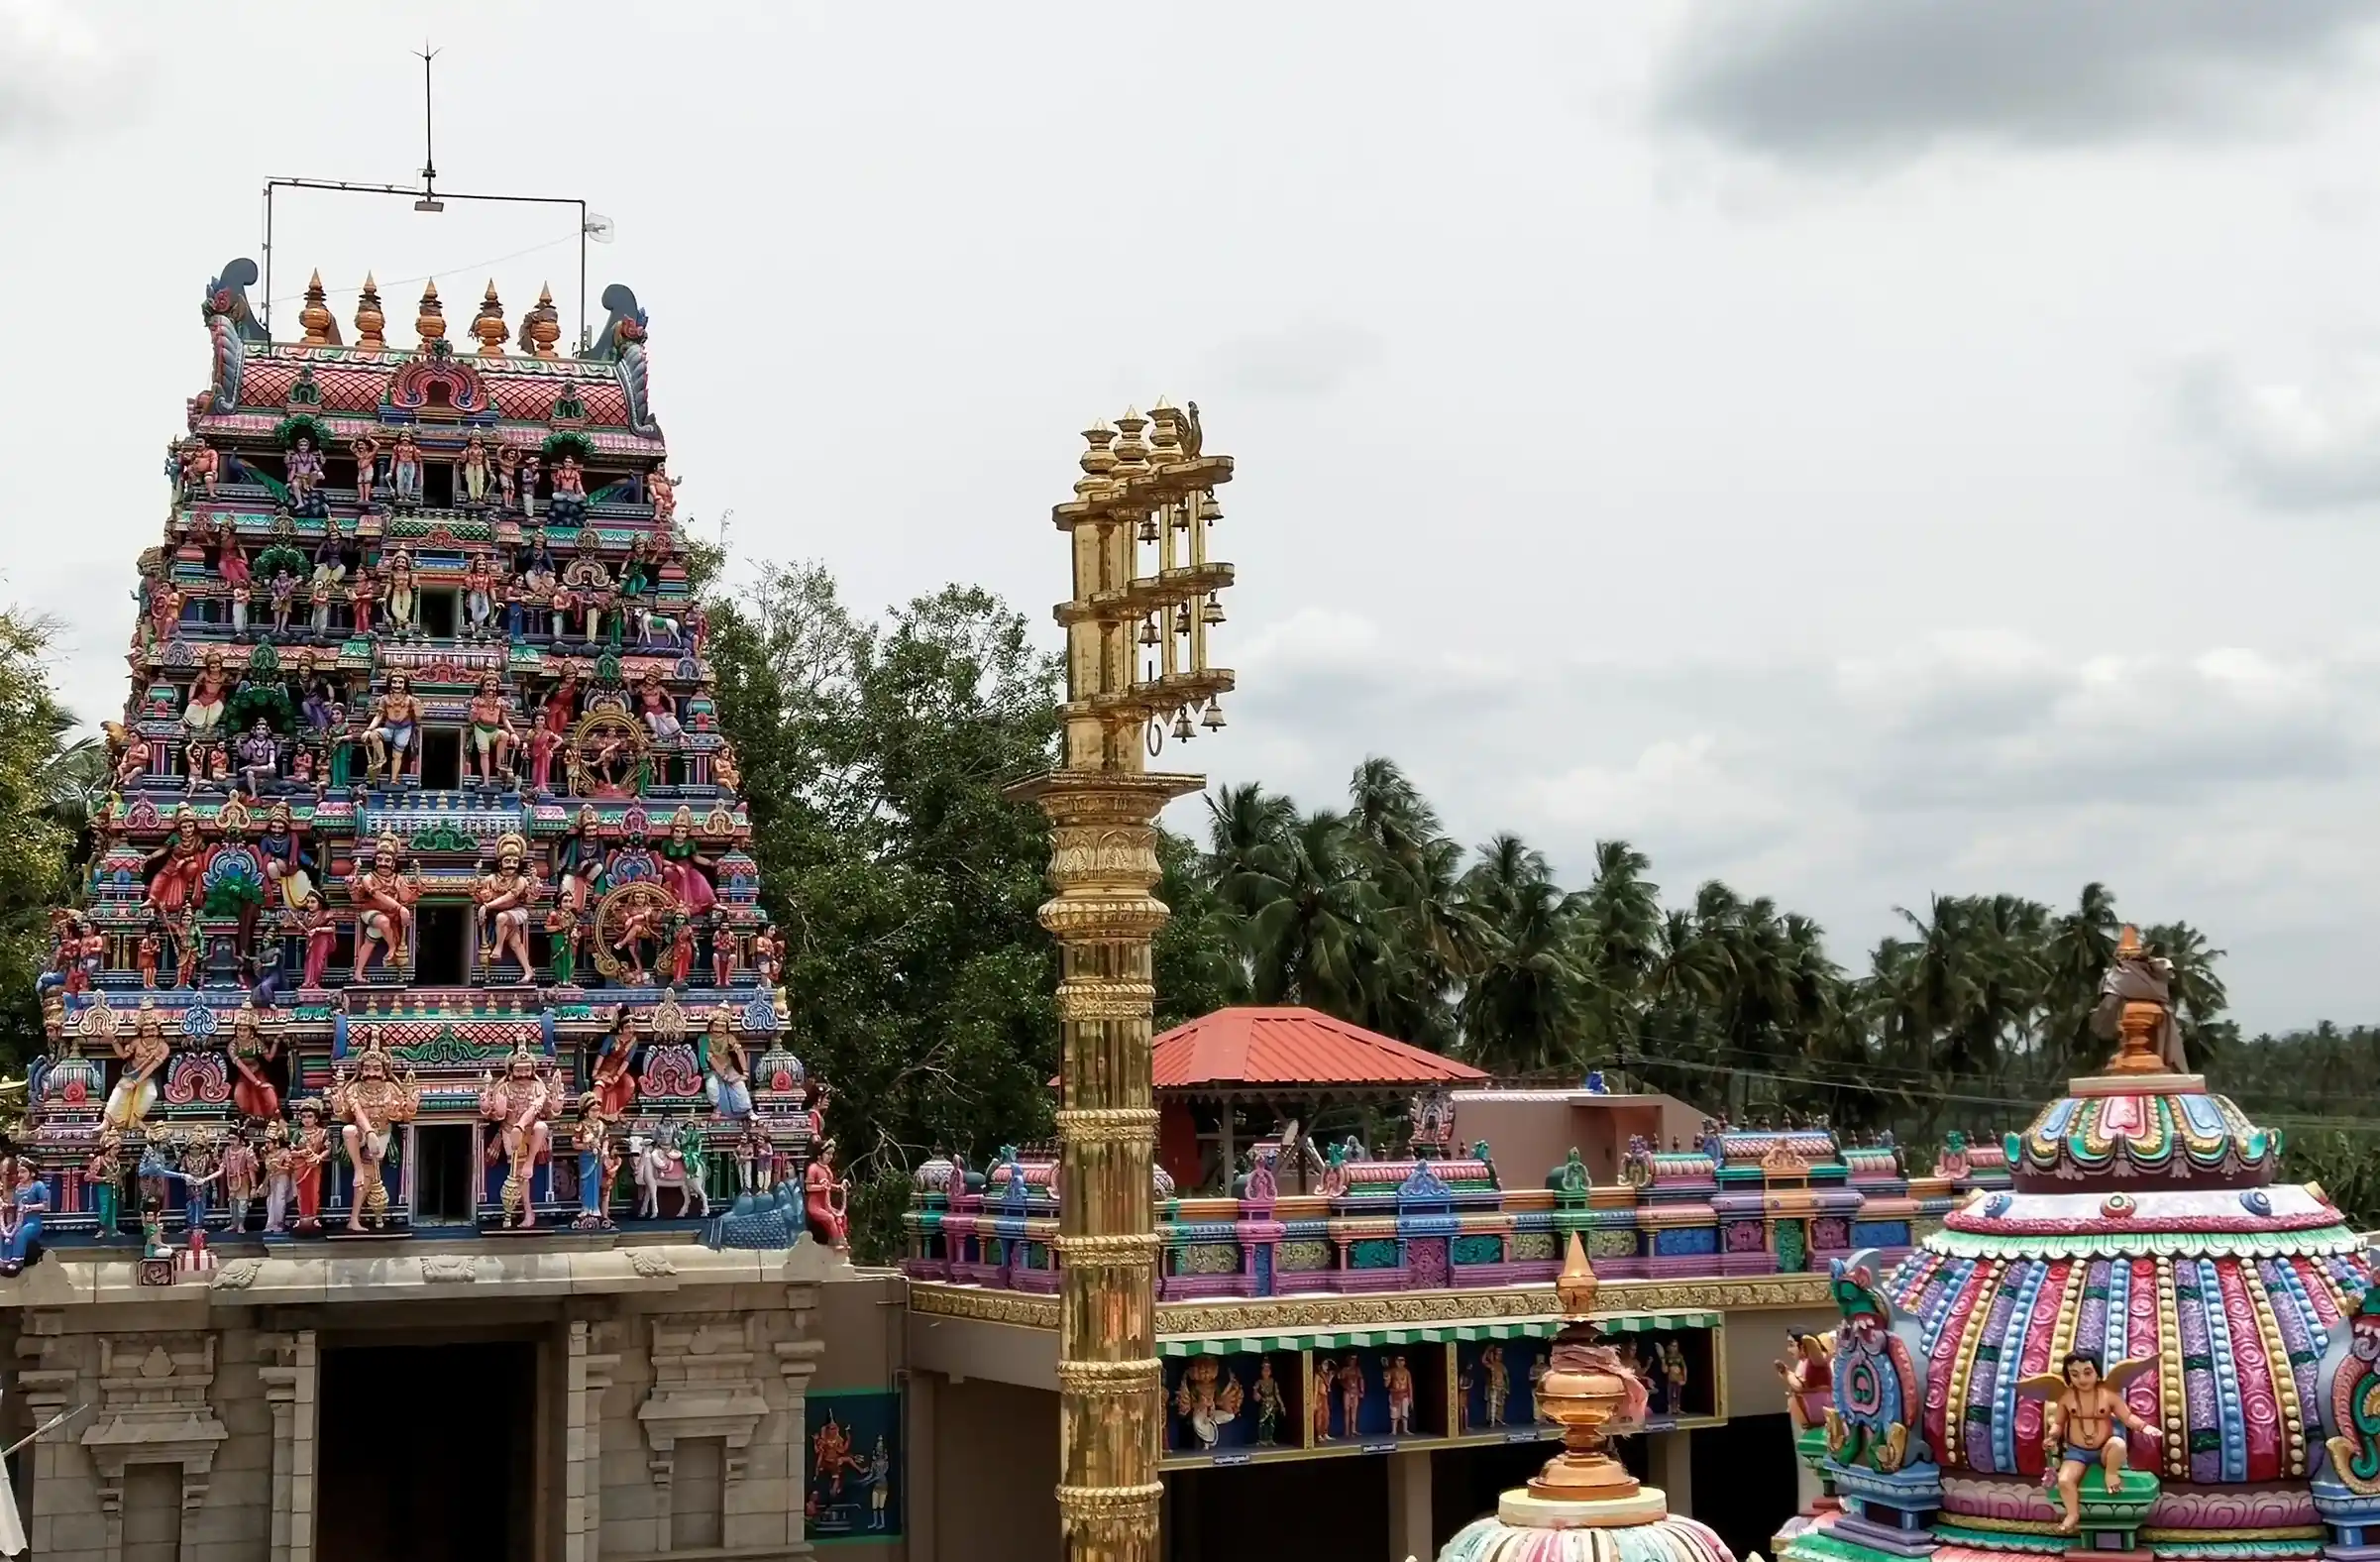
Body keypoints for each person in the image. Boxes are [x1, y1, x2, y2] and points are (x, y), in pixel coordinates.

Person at [2018, 1352, 2161, 1534]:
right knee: (2064, 1480)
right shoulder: (2067, 1397)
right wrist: (2052, 1437)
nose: (2082, 1379)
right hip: (2077, 1453)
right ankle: (2072, 1514)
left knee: (2118, 1444)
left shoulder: (2109, 1395)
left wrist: (2144, 1427)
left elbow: (2127, 1417)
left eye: (2087, 1372)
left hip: (2104, 1450)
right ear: (2068, 1375)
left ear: (2097, 1372)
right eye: (2074, 1374)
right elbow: (2059, 1423)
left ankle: (2111, 1474)